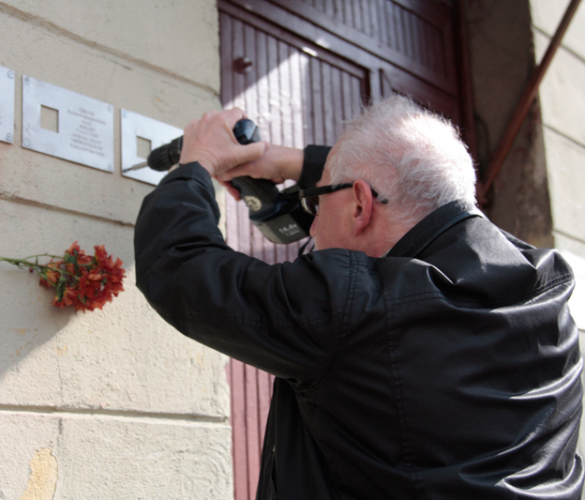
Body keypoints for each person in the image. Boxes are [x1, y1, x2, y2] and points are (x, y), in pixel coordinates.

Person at [134, 96, 584, 499]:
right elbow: (423, 185)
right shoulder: (544, 290)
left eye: (315, 204)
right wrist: (287, 162)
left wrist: (198, 163)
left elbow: (178, 267)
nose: (310, 227)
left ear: (359, 206)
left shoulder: (356, 307)